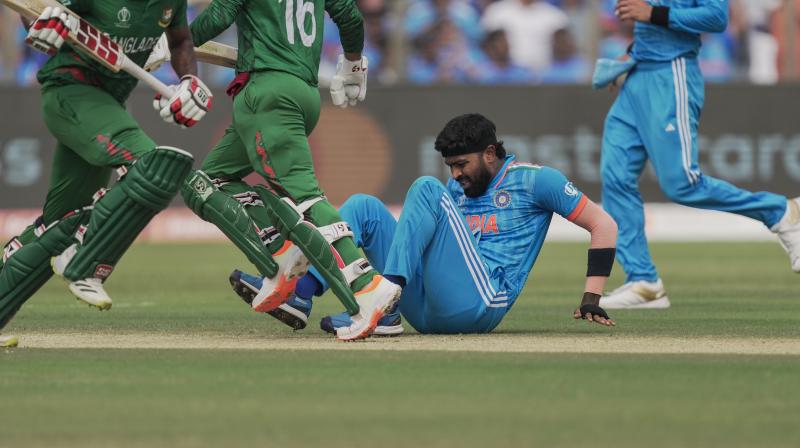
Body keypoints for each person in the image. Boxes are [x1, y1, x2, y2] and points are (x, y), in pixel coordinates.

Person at [232, 113, 618, 334]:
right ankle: (304, 292)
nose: (457, 174)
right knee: (364, 206)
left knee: (425, 188)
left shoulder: (536, 180)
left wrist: (591, 299)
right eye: (451, 166)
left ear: (489, 153)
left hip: (481, 303)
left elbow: (604, 225)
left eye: (462, 164)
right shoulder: (455, 184)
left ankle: (387, 299)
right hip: (429, 307)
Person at [180, 0, 400, 341]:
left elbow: (218, 16)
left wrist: (176, 41)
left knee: (306, 197)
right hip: (302, 92)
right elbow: (351, 18)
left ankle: (367, 283)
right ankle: (282, 252)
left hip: (267, 92)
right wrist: (353, 65)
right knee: (208, 182)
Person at [0, 0, 213, 348]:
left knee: (60, 224)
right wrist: (36, 22)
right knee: (153, 166)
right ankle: (86, 262)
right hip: (70, 92)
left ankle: (71, 246)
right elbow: (39, 10)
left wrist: (189, 79)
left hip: (107, 103)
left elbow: (180, 41)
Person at [599, 0, 800, 309]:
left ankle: (779, 212)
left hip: (672, 74)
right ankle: (643, 280)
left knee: (683, 184)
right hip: (639, 75)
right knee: (615, 176)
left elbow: (716, 17)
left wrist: (653, 14)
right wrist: (634, 51)